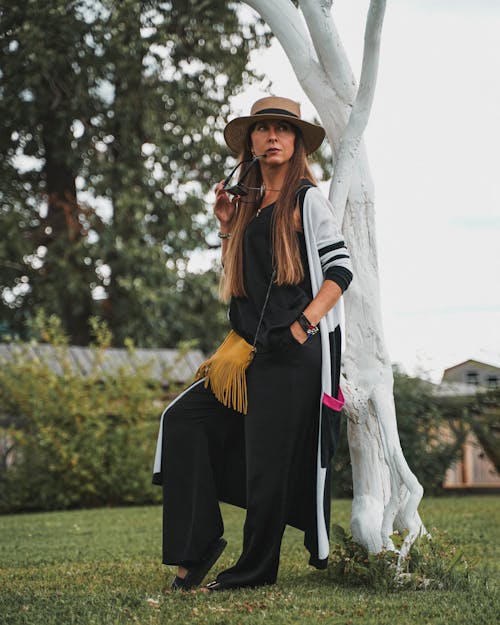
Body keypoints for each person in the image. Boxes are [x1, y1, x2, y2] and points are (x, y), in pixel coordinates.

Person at [152, 96, 353, 592]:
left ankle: (255, 570)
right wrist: (224, 226)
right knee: (183, 420)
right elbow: (241, 282)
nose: (271, 136)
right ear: (251, 143)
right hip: (246, 350)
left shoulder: (308, 200)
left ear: (296, 141)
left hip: (292, 352)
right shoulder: (244, 205)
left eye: (282, 129)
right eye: (262, 129)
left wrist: (302, 327)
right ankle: (195, 548)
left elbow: (341, 271)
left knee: (268, 465)